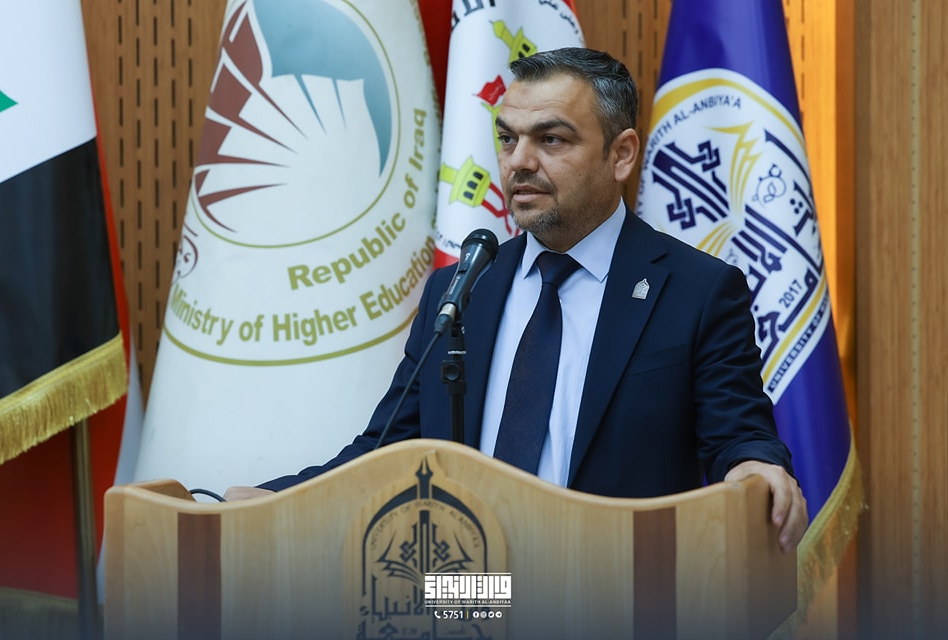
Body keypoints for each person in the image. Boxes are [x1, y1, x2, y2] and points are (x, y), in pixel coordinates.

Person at [225, 47, 808, 553]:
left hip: (612, 594)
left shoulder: (697, 291)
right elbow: (390, 448)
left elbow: (739, 434)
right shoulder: (460, 291)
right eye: (508, 139)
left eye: (551, 139)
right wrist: (275, 500)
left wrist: (756, 467)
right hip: (467, 593)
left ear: (622, 154)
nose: (519, 162)